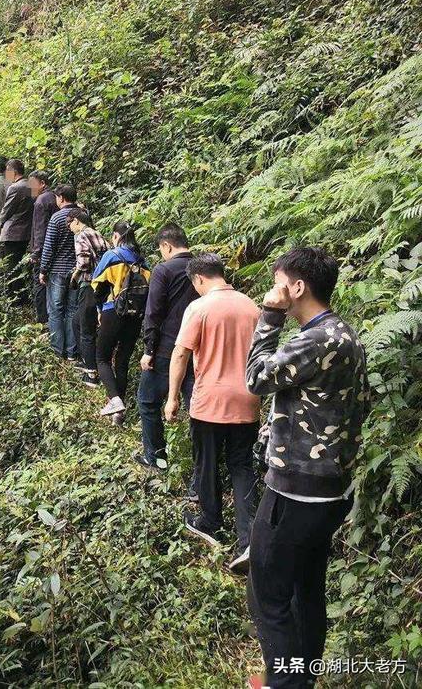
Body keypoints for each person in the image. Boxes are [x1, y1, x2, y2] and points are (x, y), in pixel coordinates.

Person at [244, 247, 369, 689]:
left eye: (278, 283)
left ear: (297, 288)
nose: (273, 291)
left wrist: (269, 316)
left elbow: (256, 378)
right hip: (331, 489)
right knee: (305, 589)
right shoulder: (345, 334)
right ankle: (300, 677)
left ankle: (285, 684)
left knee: (268, 595)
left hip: (296, 491)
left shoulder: (313, 341)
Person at [165, 252, 260, 574]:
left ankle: (210, 522)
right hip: (247, 399)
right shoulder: (251, 307)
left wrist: (172, 398)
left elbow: (181, 353)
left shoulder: (199, 307)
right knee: (242, 465)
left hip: (210, 401)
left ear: (199, 279)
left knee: (206, 462)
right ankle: (248, 540)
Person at [135, 223, 197, 471]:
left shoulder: (163, 270)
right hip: (197, 349)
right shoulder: (203, 268)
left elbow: (154, 312)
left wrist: (149, 349)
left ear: (166, 245)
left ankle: (156, 459)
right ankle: (200, 465)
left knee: (148, 402)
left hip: (167, 347)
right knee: (195, 408)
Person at [91, 221, 150, 422]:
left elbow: (97, 286)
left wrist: (100, 309)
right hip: (135, 316)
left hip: (113, 311)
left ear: (116, 236)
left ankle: (115, 400)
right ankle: (119, 413)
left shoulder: (112, 256)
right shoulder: (142, 261)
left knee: (102, 358)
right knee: (122, 360)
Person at [39, 185, 81, 359]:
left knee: (55, 310)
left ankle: (57, 350)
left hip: (57, 271)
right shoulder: (83, 215)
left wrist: (43, 270)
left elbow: (49, 246)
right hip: (78, 271)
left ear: (61, 198)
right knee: (72, 310)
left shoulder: (57, 217)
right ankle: (72, 351)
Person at [68, 210, 109, 387]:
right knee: (77, 322)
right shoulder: (97, 233)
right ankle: (87, 362)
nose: (69, 227)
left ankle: (92, 373)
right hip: (102, 284)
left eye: (69, 223)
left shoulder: (81, 235)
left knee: (86, 328)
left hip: (89, 284)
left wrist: (75, 275)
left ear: (76, 221)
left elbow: (84, 262)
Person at [0, 159, 34, 304]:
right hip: (27, 231)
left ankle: (16, 298)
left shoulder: (15, 188)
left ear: (13, 172)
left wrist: (0, 223)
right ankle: (21, 296)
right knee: (18, 265)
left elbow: (6, 210)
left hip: (12, 232)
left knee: (11, 267)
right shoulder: (32, 184)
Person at [28, 170, 58, 324]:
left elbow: (40, 229)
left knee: (40, 284)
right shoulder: (55, 197)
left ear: (42, 183)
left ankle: (42, 320)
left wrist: (36, 253)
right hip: (56, 248)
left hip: (43, 250)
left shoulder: (41, 201)